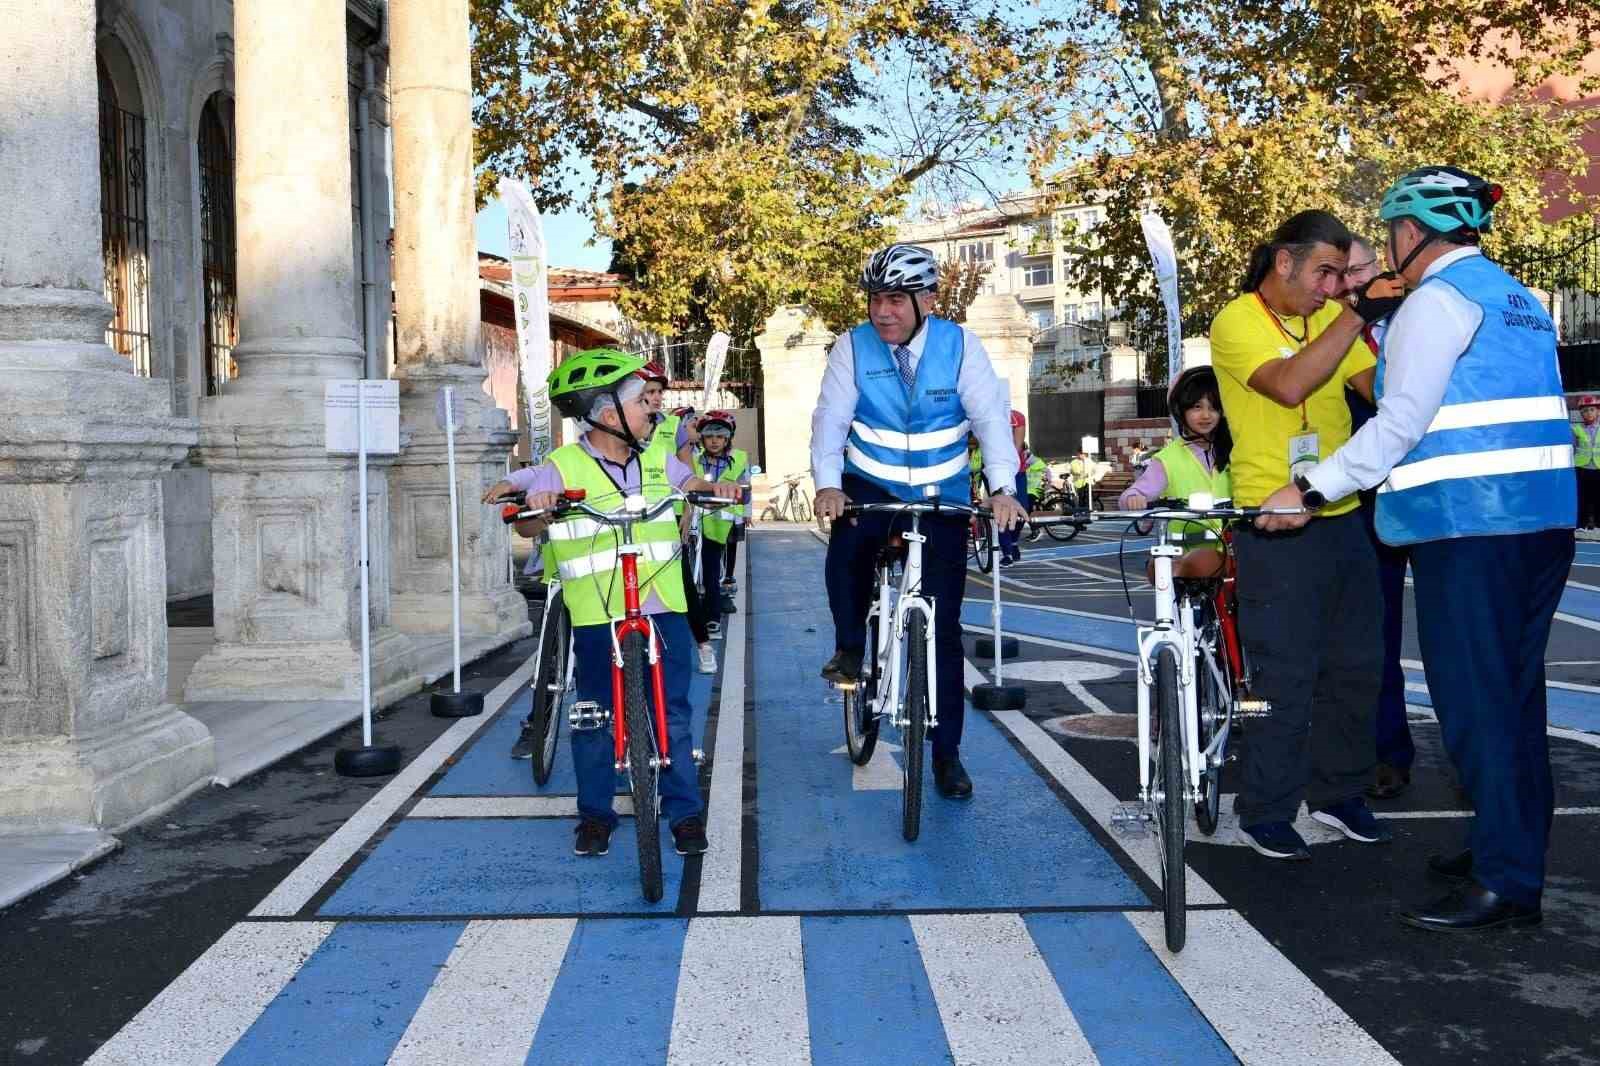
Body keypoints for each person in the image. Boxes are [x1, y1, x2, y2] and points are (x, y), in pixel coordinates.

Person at [1259, 168, 1577, 930]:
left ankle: (1506, 881)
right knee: (1516, 698)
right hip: (1541, 522)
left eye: (1391, 233)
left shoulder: (1435, 303)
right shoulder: (1518, 298)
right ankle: (1506, 844)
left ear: (1410, 231)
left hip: (1470, 529)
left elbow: (1399, 423)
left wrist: (1306, 491)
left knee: (1475, 707)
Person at [481, 348, 741, 858]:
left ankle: (684, 814)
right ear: (608, 415)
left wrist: (718, 488)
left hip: (661, 603)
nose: (654, 412)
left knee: (674, 712)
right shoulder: (563, 465)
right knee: (595, 713)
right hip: (598, 612)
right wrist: (537, 510)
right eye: (644, 403)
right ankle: (596, 815)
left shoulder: (658, 461)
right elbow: (530, 517)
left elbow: (693, 484)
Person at [1208, 208, 1401, 861]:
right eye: (1325, 271)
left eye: (1342, 276)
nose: (1332, 286)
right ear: (1284, 261)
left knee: (1357, 667)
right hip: (1274, 524)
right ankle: (1264, 807)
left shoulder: (1331, 320)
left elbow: (1384, 392)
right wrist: (1355, 316)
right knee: (1278, 678)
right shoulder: (1236, 320)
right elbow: (1289, 386)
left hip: (1343, 517)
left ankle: (1339, 794)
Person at [812, 242, 1026, 799]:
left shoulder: (960, 347)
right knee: (848, 549)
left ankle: (947, 756)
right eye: (875, 300)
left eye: (896, 301)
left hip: (942, 492)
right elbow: (831, 420)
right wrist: (828, 485)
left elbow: (990, 420)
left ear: (926, 299)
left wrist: (1002, 488)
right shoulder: (850, 349)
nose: (883, 311)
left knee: (945, 630)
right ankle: (851, 648)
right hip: (869, 483)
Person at [1340, 237, 1415, 800]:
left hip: (1430, 492)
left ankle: (1482, 756)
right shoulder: (1331, 332)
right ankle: (1386, 751)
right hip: (1359, 499)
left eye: (1361, 269)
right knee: (1373, 630)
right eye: (1339, 273)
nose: (1354, 282)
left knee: (1457, 635)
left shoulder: (1422, 314)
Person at [1119, 365, 1233, 579]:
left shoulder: (1236, 451)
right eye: (1197, 406)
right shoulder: (1167, 459)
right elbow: (1133, 494)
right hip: (1183, 557)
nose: (1206, 415)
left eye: (1214, 407)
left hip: (1235, 553)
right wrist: (1134, 498)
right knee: (1167, 571)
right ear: (1181, 410)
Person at [689, 411, 750, 617]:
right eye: (709, 436)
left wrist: (746, 510)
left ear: (728, 439)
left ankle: (721, 597)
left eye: (720, 436)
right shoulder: (694, 459)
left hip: (726, 518)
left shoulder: (739, 459)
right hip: (699, 518)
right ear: (702, 438)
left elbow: (746, 487)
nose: (714, 441)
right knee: (705, 564)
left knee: (722, 560)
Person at [1575, 395, 1600, 537]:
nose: (1588, 413)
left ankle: (1598, 526)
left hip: (1598, 469)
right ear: (1581, 413)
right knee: (1582, 497)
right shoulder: (1577, 429)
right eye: (1585, 411)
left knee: (1598, 498)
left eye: (1592, 409)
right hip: (1582, 469)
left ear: (1598, 412)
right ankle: (1581, 525)